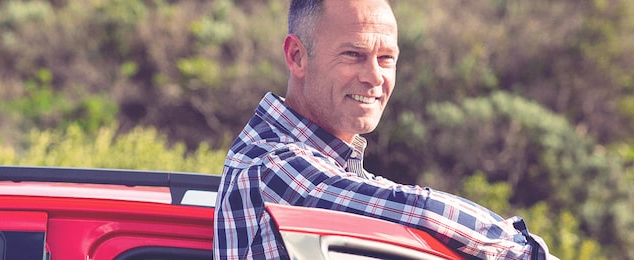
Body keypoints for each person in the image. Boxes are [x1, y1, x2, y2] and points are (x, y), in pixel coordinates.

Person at [213, 0, 557, 259]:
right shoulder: (271, 166)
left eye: (386, 58)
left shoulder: (330, 165)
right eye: (353, 54)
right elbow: (417, 209)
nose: (375, 77)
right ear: (298, 56)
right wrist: (525, 251)